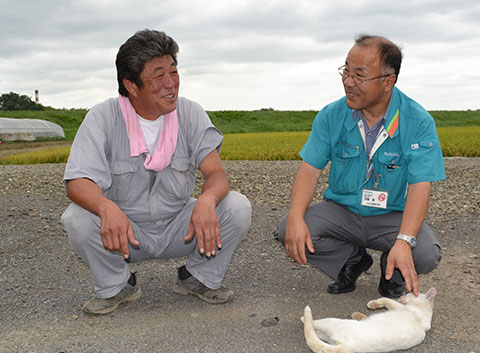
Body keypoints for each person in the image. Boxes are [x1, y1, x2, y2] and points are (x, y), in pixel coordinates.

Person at [61, 29, 251, 315]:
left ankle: (199, 278)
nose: (170, 83)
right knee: (77, 217)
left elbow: (216, 175)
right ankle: (118, 285)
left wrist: (207, 200)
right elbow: (77, 182)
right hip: (125, 232)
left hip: (180, 228)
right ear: (132, 85)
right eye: (158, 74)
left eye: (173, 71)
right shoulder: (102, 117)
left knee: (237, 206)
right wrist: (104, 206)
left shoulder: (190, 113)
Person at [276, 34, 445, 298]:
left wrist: (403, 240)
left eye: (359, 75)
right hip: (343, 213)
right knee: (289, 228)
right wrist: (297, 218)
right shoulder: (331, 115)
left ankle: (393, 267)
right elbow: (309, 171)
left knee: (424, 254)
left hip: (391, 217)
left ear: (388, 82)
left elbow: (420, 186)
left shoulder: (417, 121)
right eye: (345, 71)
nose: (348, 82)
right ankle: (351, 259)